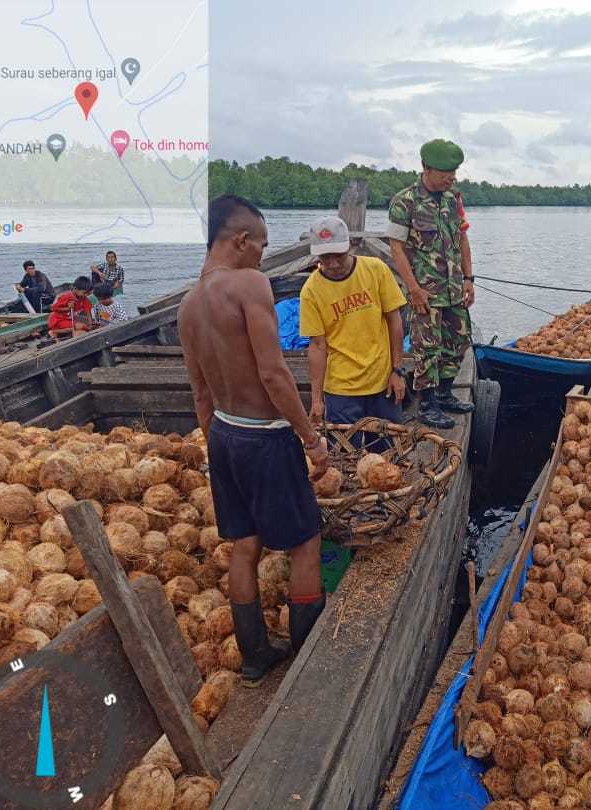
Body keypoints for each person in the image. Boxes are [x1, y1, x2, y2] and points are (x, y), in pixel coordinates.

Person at [178, 195, 331, 687]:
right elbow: (273, 373)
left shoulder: (187, 304)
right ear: (240, 240)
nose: (264, 255)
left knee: (245, 545)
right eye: (262, 244)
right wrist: (310, 440)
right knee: (306, 542)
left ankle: (255, 657)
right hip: (264, 436)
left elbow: (200, 391)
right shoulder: (248, 283)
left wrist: (220, 447)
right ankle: (309, 660)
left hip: (223, 431)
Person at [386, 138, 475, 430]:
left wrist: (469, 278)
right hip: (425, 291)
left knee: (459, 340)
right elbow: (396, 247)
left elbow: (462, 237)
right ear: (426, 167)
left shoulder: (453, 199)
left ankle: (445, 394)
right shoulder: (405, 202)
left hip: (454, 289)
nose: (451, 177)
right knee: (427, 348)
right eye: (445, 171)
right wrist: (413, 288)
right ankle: (427, 404)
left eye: (454, 172)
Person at [299, 215, 408, 443]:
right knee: (345, 455)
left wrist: (398, 370)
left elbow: (394, 320)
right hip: (341, 388)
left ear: (349, 245)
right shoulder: (311, 290)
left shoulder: (375, 269)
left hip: (382, 381)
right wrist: (317, 399)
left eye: (338, 255)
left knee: (387, 451)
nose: (333, 264)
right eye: (325, 257)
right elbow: (317, 346)